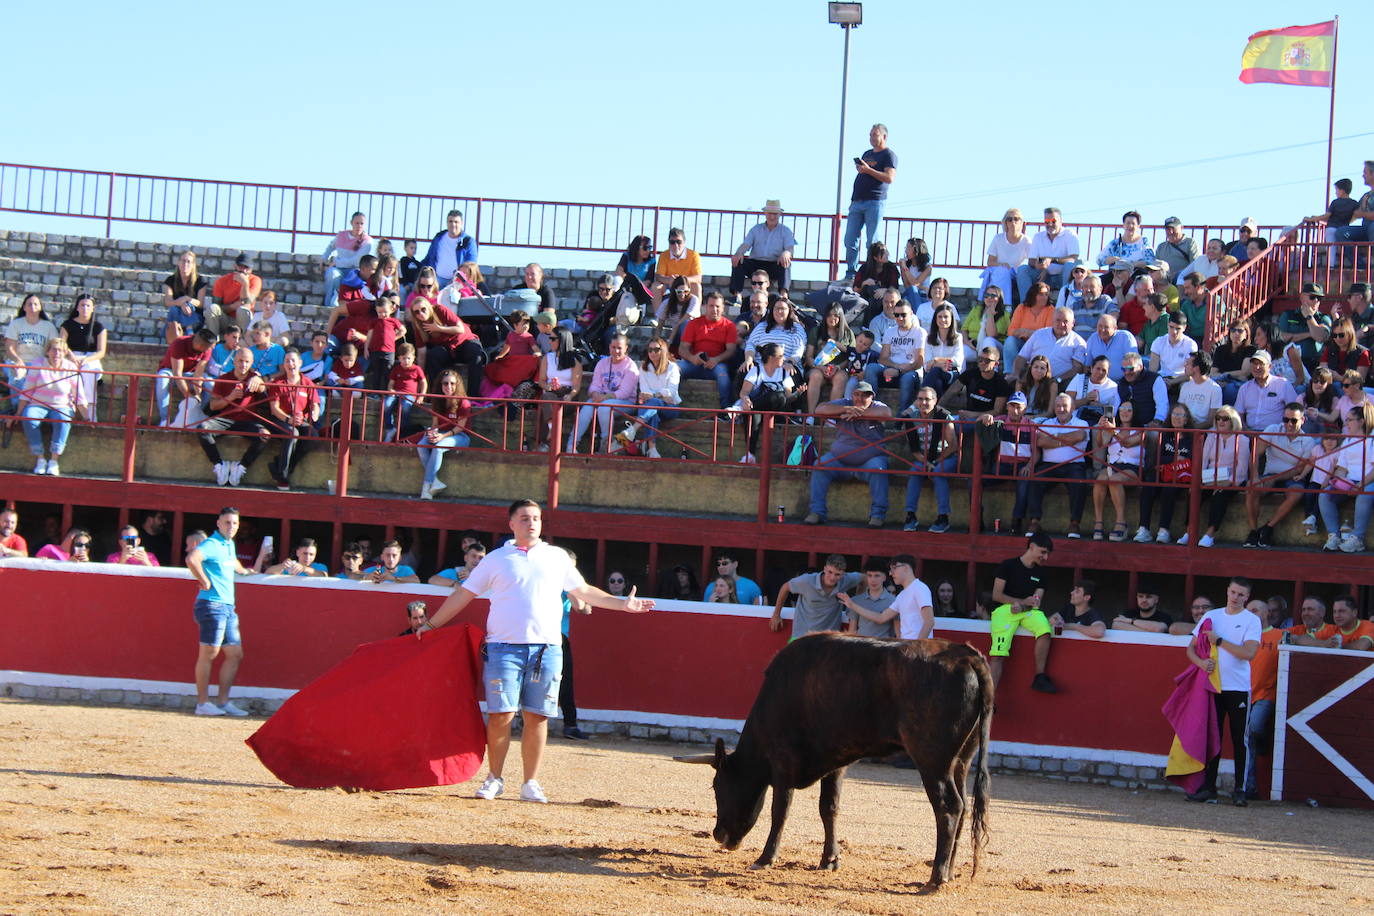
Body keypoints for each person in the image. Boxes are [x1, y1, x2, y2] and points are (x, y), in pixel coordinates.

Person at [419, 499, 653, 803]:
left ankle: (530, 782)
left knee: (537, 716)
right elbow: (464, 593)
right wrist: (433, 624)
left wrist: (622, 604)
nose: (532, 523)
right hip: (503, 647)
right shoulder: (496, 559)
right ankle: (494, 778)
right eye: (525, 518)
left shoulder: (556, 557)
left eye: (537, 518)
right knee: (501, 714)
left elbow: (582, 591)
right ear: (511, 524)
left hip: (547, 648)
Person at [1185, 577, 1261, 806]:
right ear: (1227, 591)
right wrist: (1200, 663)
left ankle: (1240, 789)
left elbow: (1248, 653)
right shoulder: (1212, 616)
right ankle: (1209, 787)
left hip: (1238, 687)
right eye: (1233, 592)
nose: (1236, 598)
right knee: (1213, 737)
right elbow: (1191, 648)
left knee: (1240, 740)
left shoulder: (1251, 620)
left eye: (1241, 594)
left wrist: (1219, 641)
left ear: (1247, 597)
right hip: (1214, 685)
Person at [185, 507, 266, 717]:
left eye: (235, 523)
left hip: (227, 606)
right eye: (228, 523)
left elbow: (233, 564)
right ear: (218, 524)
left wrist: (245, 571)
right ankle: (202, 703)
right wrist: (203, 581)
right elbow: (192, 559)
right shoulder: (212, 543)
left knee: (235, 654)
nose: (232, 527)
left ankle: (222, 702)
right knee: (209, 653)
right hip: (212, 604)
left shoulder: (228, 544)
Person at [805, 382, 893, 527]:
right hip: (839, 460)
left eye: (864, 395)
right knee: (819, 465)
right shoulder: (845, 403)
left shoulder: (877, 405)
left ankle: (877, 515)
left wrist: (860, 413)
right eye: (857, 394)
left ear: (872, 396)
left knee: (879, 469)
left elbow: (887, 413)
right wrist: (847, 409)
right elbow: (820, 409)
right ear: (851, 395)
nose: (860, 398)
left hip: (870, 460)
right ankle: (817, 512)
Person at [989, 531, 1057, 693]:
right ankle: (989, 699)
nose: (1046, 557)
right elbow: (996, 595)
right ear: (1031, 547)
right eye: (1043, 552)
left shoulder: (1041, 573)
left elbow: (1036, 602)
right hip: (1004, 609)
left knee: (1044, 630)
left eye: (1047, 553)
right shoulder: (1008, 565)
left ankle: (1040, 676)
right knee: (998, 654)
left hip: (1028, 610)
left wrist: (1023, 606)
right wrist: (1017, 603)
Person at [1242, 402, 1315, 548]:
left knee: (1296, 493)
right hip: (1270, 474)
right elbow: (1255, 454)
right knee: (1252, 487)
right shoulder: (1273, 429)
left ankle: (1268, 528)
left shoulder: (1308, 440)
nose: (1289, 424)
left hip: (1291, 478)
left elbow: (1299, 470)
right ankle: (1253, 531)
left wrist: (1273, 478)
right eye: (1286, 419)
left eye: (1293, 420)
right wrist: (1255, 476)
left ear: (1303, 420)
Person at [197, 347, 270, 487]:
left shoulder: (254, 378)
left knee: (265, 435)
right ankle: (219, 466)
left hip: (248, 421)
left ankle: (241, 468)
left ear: (251, 363)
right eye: (240, 361)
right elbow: (213, 406)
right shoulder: (224, 378)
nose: (243, 365)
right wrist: (230, 398)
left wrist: (259, 380)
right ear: (234, 361)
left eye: (247, 362)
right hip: (225, 419)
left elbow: (263, 390)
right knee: (202, 428)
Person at [19, 337, 88, 476]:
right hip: (38, 403)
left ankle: (54, 461)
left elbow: (79, 394)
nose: (57, 353)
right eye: (54, 350)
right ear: (48, 351)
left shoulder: (70, 367)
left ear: (65, 353)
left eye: (61, 351)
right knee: (28, 418)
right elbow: (27, 390)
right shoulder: (38, 363)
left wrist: (88, 417)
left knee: (63, 420)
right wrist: (17, 413)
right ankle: (40, 459)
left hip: (61, 405)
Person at [1026, 393, 1090, 538]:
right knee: (1035, 480)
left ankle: (1074, 524)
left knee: (1079, 483)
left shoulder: (1082, 423)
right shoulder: (1046, 422)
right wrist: (1066, 439)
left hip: (1074, 465)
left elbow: (1079, 436)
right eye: (1058, 406)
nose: (1061, 409)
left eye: (1064, 406)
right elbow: (1040, 442)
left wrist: (1053, 439)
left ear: (1073, 407)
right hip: (1048, 465)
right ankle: (1035, 521)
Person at [1241, 597, 1286, 800]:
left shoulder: (1279, 635)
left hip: (1267, 694)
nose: (1252, 614)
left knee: (1255, 729)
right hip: (1245, 694)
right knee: (1248, 738)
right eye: (1249, 610)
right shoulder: (1242, 635)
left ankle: (1263, 736)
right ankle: (1250, 786)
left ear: (1267, 613)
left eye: (1256, 610)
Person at [1187, 405, 1250, 547]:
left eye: (1225, 419)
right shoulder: (1211, 436)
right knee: (1194, 493)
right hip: (1209, 478)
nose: (1221, 421)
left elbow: (1241, 468)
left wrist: (1227, 483)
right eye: (1218, 418)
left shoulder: (1243, 440)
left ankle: (1210, 534)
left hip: (1231, 480)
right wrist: (1198, 481)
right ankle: (1189, 532)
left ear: (1233, 421)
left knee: (1220, 495)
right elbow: (1203, 461)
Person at [568, 332, 639, 454]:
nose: (616, 351)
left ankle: (605, 444)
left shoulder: (631, 367)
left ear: (626, 348)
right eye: (613, 347)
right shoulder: (602, 363)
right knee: (587, 408)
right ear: (609, 347)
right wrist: (595, 393)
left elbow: (625, 393)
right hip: (603, 399)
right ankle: (571, 445)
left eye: (619, 348)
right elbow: (595, 385)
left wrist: (603, 398)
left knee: (604, 408)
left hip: (626, 402)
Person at [1317, 404, 1374, 553]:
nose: (1346, 423)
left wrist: (1360, 485)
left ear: (1361, 421)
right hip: (1351, 480)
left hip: (1369, 480)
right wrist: (1337, 482)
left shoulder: (1373, 438)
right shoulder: (1348, 440)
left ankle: (1357, 539)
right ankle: (1334, 536)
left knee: (1365, 494)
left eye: (1349, 420)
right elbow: (1342, 468)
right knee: (1325, 495)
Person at [842, 123, 897, 277]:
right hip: (857, 201)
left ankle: (870, 272)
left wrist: (868, 170)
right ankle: (851, 272)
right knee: (850, 239)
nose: (872, 138)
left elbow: (889, 177)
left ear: (884, 137)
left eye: (875, 135)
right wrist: (862, 169)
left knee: (871, 241)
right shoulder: (867, 153)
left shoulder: (888, 155)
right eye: (871, 135)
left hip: (875, 201)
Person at [901, 386, 957, 533]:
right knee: (914, 473)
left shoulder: (943, 416)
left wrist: (935, 463)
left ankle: (943, 517)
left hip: (946, 457)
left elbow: (953, 446)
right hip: (923, 458)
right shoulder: (911, 418)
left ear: (935, 400)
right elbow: (914, 449)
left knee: (937, 473)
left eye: (927, 399)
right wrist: (927, 463)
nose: (923, 402)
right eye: (920, 399)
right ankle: (910, 515)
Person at [265, 349, 321, 491]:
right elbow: (274, 408)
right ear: (283, 365)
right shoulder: (278, 382)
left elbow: (315, 404)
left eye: (293, 360)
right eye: (287, 361)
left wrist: (314, 413)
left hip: (300, 420)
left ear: (300, 363)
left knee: (313, 436)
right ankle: (283, 477)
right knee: (292, 433)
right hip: (280, 419)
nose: (290, 364)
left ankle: (281, 466)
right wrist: (288, 419)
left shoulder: (307, 383)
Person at [769, 553, 861, 639]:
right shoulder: (807, 581)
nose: (832, 577)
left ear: (843, 574)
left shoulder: (846, 580)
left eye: (837, 574)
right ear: (824, 569)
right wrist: (776, 614)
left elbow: (864, 579)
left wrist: (860, 601)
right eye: (830, 572)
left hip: (829, 640)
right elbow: (785, 587)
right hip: (802, 638)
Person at [676, 292, 739, 408]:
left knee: (723, 375)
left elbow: (731, 350)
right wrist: (692, 358)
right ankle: (671, 402)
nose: (714, 309)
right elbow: (682, 348)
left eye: (717, 306)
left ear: (723, 308)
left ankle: (725, 409)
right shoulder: (693, 324)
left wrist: (716, 360)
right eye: (711, 306)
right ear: (705, 307)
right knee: (674, 369)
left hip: (717, 365)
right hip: (694, 363)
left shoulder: (729, 326)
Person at [1090, 402, 1143, 542]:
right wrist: (1102, 429)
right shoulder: (1113, 428)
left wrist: (1114, 431)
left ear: (1135, 412)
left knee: (1114, 479)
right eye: (1122, 409)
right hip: (1112, 465)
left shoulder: (1140, 430)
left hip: (1132, 467)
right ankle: (1098, 522)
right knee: (1100, 480)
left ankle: (1121, 523)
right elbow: (1101, 444)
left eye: (1129, 410)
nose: (1125, 412)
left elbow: (1128, 443)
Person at [864, 297, 923, 413]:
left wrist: (899, 371)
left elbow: (919, 362)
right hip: (892, 369)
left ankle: (901, 418)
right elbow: (883, 358)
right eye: (897, 315)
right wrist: (896, 368)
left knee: (907, 379)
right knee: (871, 368)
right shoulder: (890, 331)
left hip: (911, 372)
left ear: (911, 314)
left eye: (903, 315)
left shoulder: (919, 332)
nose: (900, 318)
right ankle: (871, 409)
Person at [155, 327, 217, 426]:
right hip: (170, 370)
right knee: (162, 380)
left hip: (190, 373)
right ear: (201, 345)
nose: (211, 349)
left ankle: (199, 416)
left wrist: (197, 394)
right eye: (208, 347)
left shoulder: (207, 350)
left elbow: (198, 374)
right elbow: (177, 374)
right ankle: (164, 420)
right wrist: (189, 395)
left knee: (210, 384)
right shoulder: (179, 343)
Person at [59, 293, 107, 421]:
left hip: (90, 359)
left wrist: (86, 360)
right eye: (82, 305)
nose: (85, 308)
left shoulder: (98, 327)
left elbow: (101, 352)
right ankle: (66, 413)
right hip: (70, 356)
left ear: (92, 308)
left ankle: (90, 415)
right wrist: (72, 356)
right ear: (77, 307)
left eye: (88, 306)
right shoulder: (67, 325)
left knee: (89, 371)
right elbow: (62, 344)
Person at [730, 200, 794, 294]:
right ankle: (736, 295)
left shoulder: (786, 231)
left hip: (774, 264)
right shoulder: (756, 229)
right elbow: (746, 244)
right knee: (738, 262)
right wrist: (739, 253)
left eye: (775, 214)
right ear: (765, 213)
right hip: (755, 264)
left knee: (786, 264)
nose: (772, 217)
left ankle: (783, 295)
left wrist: (786, 253)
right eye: (769, 213)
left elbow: (790, 248)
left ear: (780, 214)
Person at [1016, 306, 1087, 391]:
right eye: (1058, 320)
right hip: (1032, 378)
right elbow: (1022, 357)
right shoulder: (1039, 334)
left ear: (1073, 323)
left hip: (1059, 383)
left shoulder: (1079, 343)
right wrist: (1017, 374)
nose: (1061, 324)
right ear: (1052, 321)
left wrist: (1058, 380)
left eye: (1065, 321)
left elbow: (1077, 369)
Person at [1017, 207, 1080, 297]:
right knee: (1022, 269)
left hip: (1061, 276)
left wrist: (1052, 260)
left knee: (1069, 266)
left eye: (1053, 221)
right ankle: (1025, 305)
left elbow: (1073, 258)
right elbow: (1031, 260)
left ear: (1060, 221)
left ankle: (1066, 301)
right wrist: (1041, 267)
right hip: (1043, 276)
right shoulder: (1038, 236)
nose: (1050, 224)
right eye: (1047, 221)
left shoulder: (1070, 234)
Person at [940, 346, 1010, 421]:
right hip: (966, 418)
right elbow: (952, 391)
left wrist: (972, 414)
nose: (982, 363)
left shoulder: (1001, 383)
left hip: (986, 421)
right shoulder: (970, 374)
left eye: (987, 361)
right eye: (980, 359)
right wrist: (938, 407)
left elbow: (997, 411)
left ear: (996, 364)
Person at [1235, 350, 1298, 430]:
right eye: (1254, 363)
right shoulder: (1244, 388)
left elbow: (1295, 410)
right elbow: (1239, 414)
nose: (1257, 367)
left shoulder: (1283, 384)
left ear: (1270, 366)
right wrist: (1245, 431)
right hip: (1249, 433)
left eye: (1261, 364)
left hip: (1274, 434)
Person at [321, 211, 374, 308]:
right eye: (356, 223)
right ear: (351, 223)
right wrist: (324, 258)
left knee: (350, 277)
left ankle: (343, 303)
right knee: (331, 274)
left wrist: (336, 262)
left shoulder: (367, 241)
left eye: (361, 223)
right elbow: (331, 246)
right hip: (339, 269)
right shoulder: (341, 235)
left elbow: (356, 261)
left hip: (355, 271)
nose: (359, 226)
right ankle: (329, 305)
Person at [979, 209, 1032, 304]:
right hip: (1000, 272)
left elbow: (1032, 260)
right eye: (1010, 219)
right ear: (1005, 222)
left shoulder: (1026, 241)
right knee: (1002, 272)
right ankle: (1001, 304)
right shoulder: (998, 238)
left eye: (1016, 219)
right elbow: (990, 262)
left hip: (1016, 274)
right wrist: (1002, 264)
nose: (1013, 222)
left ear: (1021, 222)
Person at [1002, 281, 1054, 369]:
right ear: (1033, 295)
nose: (1044, 297)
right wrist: (1023, 332)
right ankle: (1009, 373)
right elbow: (1011, 331)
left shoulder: (1051, 310)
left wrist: (1028, 332)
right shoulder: (1021, 308)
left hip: (1040, 346)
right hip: (1022, 343)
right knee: (1010, 341)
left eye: (1046, 294)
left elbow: (1047, 334)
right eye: (1041, 294)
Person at [839, 560, 896, 637]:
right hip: (861, 646)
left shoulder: (894, 601)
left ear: (884, 577)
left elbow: (895, 633)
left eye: (877, 575)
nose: (873, 580)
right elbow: (852, 631)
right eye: (869, 575)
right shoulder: (856, 600)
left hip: (884, 647)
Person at [163, 250, 209, 344]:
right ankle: (189, 333)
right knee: (174, 309)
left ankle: (183, 333)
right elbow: (168, 301)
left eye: (189, 262)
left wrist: (187, 299)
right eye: (183, 261)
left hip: (195, 318)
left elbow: (200, 304)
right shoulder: (170, 280)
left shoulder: (200, 281)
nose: (185, 264)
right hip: (176, 318)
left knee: (189, 305)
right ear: (178, 262)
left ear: (193, 265)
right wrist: (181, 302)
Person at [419, 210, 478, 283]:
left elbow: (471, 265)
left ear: (462, 223)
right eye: (450, 221)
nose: (453, 224)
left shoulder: (468, 241)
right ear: (447, 223)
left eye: (456, 222)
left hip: (457, 283)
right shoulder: (439, 237)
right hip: (436, 280)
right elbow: (429, 257)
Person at [1116, 350, 1169, 426]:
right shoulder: (1121, 383)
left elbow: (1162, 404)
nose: (1127, 372)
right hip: (1125, 426)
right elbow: (1117, 405)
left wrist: (1157, 420)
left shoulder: (1154, 379)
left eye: (1130, 369)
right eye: (1124, 369)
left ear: (1140, 367)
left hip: (1148, 425)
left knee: (1154, 434)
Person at [651, 230, 702, 303]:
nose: (676, 245)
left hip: (687, 286)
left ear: (684, 242)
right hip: (669, 285)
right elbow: (659, 276)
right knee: (656, 286)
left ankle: (695, 314)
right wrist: (669, 280)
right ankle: (658, 314)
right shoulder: (663, 255)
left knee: (697, 286)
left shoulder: (694, 255)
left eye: (679, 242)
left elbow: (698, 278)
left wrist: (682, 280)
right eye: (672, 242)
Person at [209, 253, 261, 322]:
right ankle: (212, 333)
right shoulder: (222, 281)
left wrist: (245, 284)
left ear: (251, 270)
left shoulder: (255, 280)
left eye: (247, 268)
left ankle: (244, 333)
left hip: (243, 321)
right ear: (235, 266)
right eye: (241, 267)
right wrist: (232, 307)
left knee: (243, 309)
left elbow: (247, 302)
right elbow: (216, 306)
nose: (244, 271)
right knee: (212, 308)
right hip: (225, 319)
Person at [1150, 312, 1198, 385]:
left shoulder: (1190, 345)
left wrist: (1172, 382)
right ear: (1167, 325)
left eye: (1178, 328)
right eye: (1171, 327)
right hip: (1162, 378)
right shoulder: (1158, 342)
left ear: (1184, 328)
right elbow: (1153, 369)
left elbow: (1190, 374)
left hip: (1181, 379)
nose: (1174, 332)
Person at [1177, 352, 1222, 428]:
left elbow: (1211, 421)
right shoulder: (1185, 386)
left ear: (1196, 368)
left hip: (1204, 432)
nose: (1185, 366)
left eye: (1188, 364)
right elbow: (1180, 410)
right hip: (1185, 428)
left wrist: (1192, 429)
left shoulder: (1215, 389)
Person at [1155, 217, 1200, 283]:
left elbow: (1195, 265)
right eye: (1167, 229)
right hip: (1164, 282)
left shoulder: (1190, 243)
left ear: (1181, 228)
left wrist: (1177, 274)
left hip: (1183, 280)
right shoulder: (1161, 247)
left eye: (1173, 228)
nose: (1170, 232)